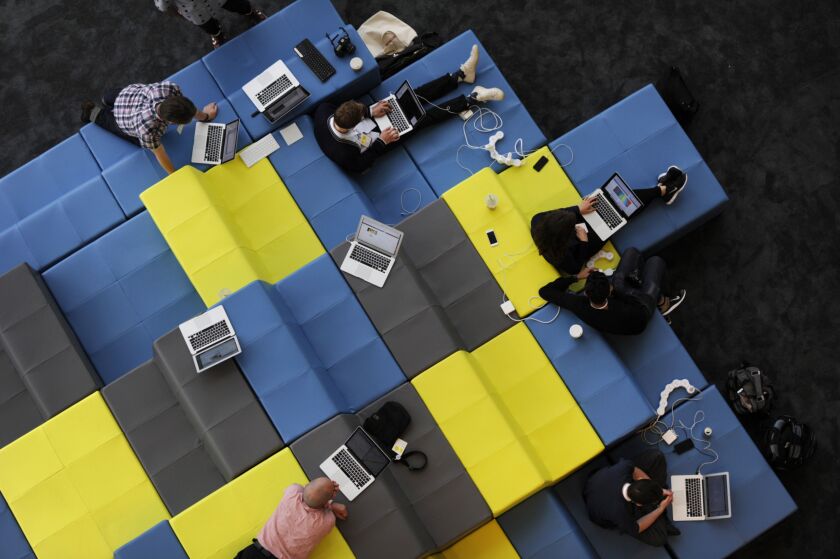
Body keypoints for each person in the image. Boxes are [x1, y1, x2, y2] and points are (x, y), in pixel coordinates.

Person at [313, 45, 505, 174]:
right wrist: (381, 142)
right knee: (420, 118)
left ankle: (460, 75)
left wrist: (370, 112)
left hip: (369, 121)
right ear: (352, 127)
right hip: (378, 139)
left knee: (412, 97)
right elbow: (358, 167)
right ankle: (472, 99)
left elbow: (356, 111)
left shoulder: (324, 111)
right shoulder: (343, 154)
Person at [531, 166, 688, 276]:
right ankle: (664, 190)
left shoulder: (537, 220)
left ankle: (661, 190)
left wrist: (578, 210)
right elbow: (576, 267)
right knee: (622, 212)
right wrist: (584, 241)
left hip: (576, 222)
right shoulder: (563, 259)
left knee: (606, 201)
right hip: (589, 239)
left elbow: (561, 213)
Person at [538, 247, 686, 335]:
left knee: (631, 252)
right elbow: (637, 311)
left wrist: (576, 277)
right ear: (609, 289)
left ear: (587, 293)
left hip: (620, 302)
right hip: (639, 313)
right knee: (655, 262)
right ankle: (663, 304)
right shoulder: (625, 310)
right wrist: (623, 292)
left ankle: (640, 282)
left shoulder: (578, 304)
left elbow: (544, 292)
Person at [80, 82, 219, 174]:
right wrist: (175, 174)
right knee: (136, 140)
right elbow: (160, 153)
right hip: (125, 119)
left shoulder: (169, 88)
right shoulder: (148, 132)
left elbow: (187, 109)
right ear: (170, 122)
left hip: (128, 95)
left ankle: (107, 99)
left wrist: (206, 116)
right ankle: (93, 112)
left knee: (113, 96)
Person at [584, 450, 680, 547]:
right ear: (639, 505)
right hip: (603, 511)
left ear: (639, 480)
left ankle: (658, 514)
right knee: (659, 539)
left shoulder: (624, 467)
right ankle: (658, 512)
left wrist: (659, 490)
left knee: (656, 456)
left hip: (594, 483)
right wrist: (661, 509)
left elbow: (636, 470)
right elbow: (638, 527)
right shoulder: (621, 513)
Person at [234, 477, 348, 559]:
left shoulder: (292, 493)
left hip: (254, 552)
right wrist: (331, 504)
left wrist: (327, 500)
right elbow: (328, 511)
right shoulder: (326, 522)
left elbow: (303, 488)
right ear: (325, 502)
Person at [155, 0, 266, 48]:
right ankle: (217, 34)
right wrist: (180, 15)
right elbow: (163, 6)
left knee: (239, 5)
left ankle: (250, 12)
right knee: (209, 27)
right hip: (195, 10)